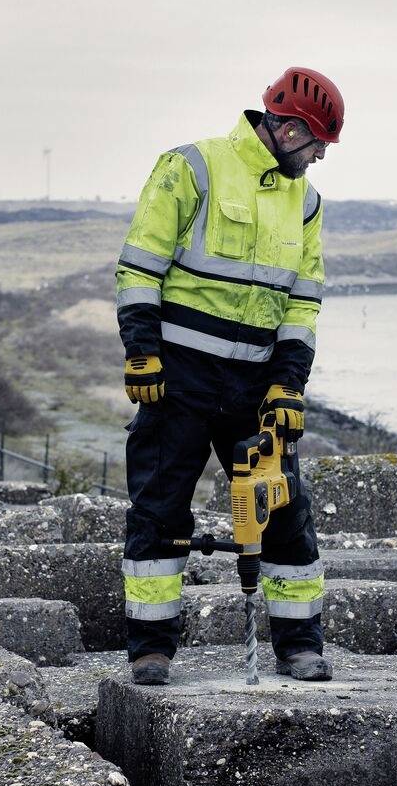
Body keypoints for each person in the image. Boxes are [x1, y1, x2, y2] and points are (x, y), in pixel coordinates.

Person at [114, 66, 344, 687]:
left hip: (256, 386)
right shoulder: (192, 167)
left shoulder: (308, 203)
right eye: (319, 142)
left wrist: (288, 386)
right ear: (289, 127)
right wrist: (142, 352)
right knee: (159, 512)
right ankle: (151, 649)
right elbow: (139, 266)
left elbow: (302, 304)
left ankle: (299, 645)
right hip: (179, 379)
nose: (321, 155)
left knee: (285, 513)